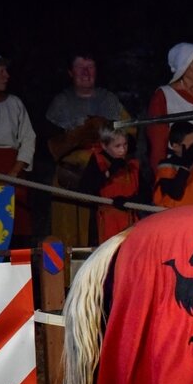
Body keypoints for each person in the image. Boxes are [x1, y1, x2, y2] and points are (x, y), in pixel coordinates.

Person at [45, 50, 132, 248]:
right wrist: (79, 134)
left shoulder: (109, 100)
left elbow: (129, 131)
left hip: (107, 173)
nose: (86, 72)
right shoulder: (61, 103)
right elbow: (52, 144)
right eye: (80, 67)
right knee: (71, 235)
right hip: (72, 176)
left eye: (90, 67)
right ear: (70, 72)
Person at [0, 52, 37, 247]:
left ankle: (20, 276)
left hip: (13, 170)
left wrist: (13, 172)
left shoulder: (15, 104)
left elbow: (28, 137)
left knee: (17, 229)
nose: (7, 75)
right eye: (1, 71)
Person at [146, 42, 193, 175]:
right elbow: (158, 142)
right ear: (184, 67)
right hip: (179, 170)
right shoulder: (163, 96)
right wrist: (162, 176)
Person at [78, 126, 148, 244]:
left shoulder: (132, 164)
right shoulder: (98, 161)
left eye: (125, 145)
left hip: (130, 219)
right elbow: (86, 188)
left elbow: (146, 194)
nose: (122, 150)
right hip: (107, 221)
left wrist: (129, 200)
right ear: (105, 146)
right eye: (117, 146)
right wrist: (110, 172)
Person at [153, 121, 193, 208]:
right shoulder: (166, 166)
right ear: (175, 146)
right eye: (192, 146)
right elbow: (176, 193)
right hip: (171, 215)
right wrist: (186, 165)